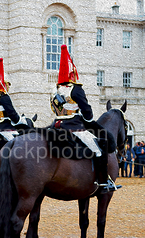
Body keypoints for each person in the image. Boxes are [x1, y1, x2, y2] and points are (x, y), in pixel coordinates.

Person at [50, 44, 121, 193]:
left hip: (56, 125)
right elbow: (87, 112)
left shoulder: (56, 89)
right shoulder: (75, 89)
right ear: (73, 72)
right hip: (74, 127)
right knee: (99, 148)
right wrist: (88, 119)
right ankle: (103, 182)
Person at [0, 58, 28, 132]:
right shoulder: (4, 97)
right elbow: (12, 113)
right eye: (8, 84)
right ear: (4, 84)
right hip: (5, 126)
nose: (9, 86)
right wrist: (20, 120)